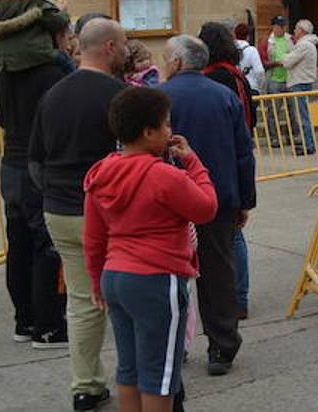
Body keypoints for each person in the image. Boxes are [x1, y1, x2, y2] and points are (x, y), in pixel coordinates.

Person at [84, 88, 218, 412]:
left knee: (129, 368)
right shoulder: (162, 175)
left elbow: (93, 236)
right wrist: (194, 162)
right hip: (156, 278)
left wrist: (95, 280)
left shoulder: (101, 173)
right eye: (166, 125)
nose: (170, 132)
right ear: (148, 132)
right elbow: (206, 208)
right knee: (160, 374)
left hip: (115, 276)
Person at [30, 17, 129, 412]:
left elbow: (36, 162)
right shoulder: (119, 96)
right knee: (124, 296)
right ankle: (134, 376)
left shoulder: (52, 95)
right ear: (108, 48)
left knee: (83, 301)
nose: (125, 49)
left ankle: (86, 386)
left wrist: (58, 195)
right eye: (122, 43)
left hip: (60, 210)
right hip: (106, 212)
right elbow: (133, 157)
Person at [0, 0, 71, 350]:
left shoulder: (4, 73)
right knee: (45, 244)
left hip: (11, 161)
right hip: (41, 167)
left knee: (17, 241)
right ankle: (48, 325)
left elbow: (1, 116)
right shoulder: (55, 72)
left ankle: (24, 320)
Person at [159, 35, 256, 376]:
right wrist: (245, 199)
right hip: (218, 198)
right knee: (217, 273)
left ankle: (172, 345)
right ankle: (222, 346)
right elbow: (244, 152)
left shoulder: (160, 97)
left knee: (169, 275)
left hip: (169, 200)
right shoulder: (225, 96)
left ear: (177, 62)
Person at [200, 22, 255, 319]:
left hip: (224, 160)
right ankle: (239, 296)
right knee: (233, 233)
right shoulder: (237, 76)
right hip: (238, 156)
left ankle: (236, 296)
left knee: (231, 235)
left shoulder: (215, 79)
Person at [280, 20, 318, 155]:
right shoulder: (308, 45)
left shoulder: (303, 45)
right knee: (304, 114)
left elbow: (287, 62)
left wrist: (284, 56)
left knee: (302, 116)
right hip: (304, 81)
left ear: (302, 31)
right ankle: (308, 142)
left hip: (299, 82)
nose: (294, 32)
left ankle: (307, 144)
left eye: (296, 30)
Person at [261, 16, 292, 148]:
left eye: (284, 26)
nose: (282, 28)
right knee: (273, 112)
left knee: (292, 111)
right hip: (274, 80)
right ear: (274, 27)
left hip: (289, 79)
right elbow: (262, 62)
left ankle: (292, 136)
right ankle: (274, 137)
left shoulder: (291, 40)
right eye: (280, 26)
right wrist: (276, 63)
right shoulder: (266, 42)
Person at [233, 23, 265, 97]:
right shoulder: (252, 50)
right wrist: (261, 89)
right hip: (251, 87)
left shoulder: (230, 49)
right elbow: (259, 71)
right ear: (248, 36)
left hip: (235, 88)